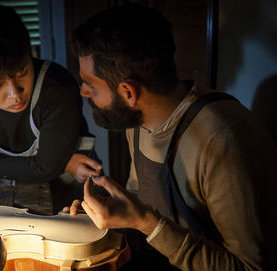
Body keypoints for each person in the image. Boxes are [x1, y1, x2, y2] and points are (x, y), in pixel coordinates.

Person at [66, 3, 277, 271]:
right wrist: (109, 212)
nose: (84, 92)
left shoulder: (224, 140)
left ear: (129, 92)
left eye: (91, 85)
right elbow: (139, 192)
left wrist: (144, 221)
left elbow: (250, 267)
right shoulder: (137, 120)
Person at [0, 5, 102, 212]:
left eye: (22, 72)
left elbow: (40, 167)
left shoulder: (58, 87)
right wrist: (61, 163)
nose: (15, 93)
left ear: (30, 54)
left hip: (75, 184)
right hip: (26, 185)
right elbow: (43, 166)